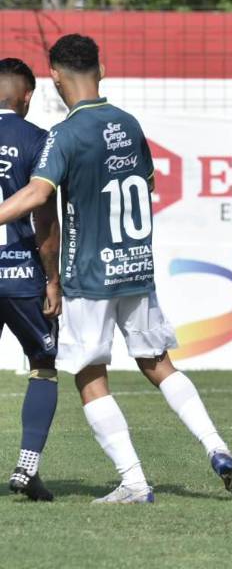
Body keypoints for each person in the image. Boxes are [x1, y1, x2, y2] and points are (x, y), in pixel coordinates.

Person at [0, 34, 232, 504]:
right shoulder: (129, 124)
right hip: (134, 266)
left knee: (90, 375)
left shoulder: (66, 133)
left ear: (53, 76)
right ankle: (218, 448)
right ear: (103, 69)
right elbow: (148, 183)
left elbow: (37, 195)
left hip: (91, 275)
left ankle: (134, 480)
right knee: (159, 364)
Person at [0, 58, 60, 501]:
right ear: (27, 96)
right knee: (43, 366)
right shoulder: (38, 139)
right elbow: (44, 216)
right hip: (21, 273)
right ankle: (27, 467)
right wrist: (53, 279)